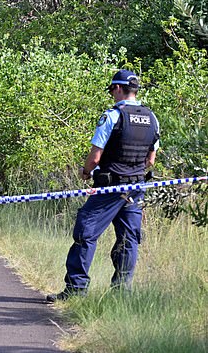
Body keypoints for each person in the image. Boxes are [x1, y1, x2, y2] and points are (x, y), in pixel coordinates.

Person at [46, 69, 160, 302]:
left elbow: (95, 157)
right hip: (136, 188)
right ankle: (121, 294)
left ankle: (76, 289)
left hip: (110, 188)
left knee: (85, 232)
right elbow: (150, 160)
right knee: (129, 239)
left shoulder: (112, 116)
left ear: (118, 88)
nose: (111, 94)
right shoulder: (151, 118)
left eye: (111, 90)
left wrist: (86, 172)